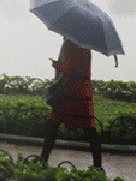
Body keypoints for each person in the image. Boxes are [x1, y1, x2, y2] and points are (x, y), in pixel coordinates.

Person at [40, 38, 103, 171]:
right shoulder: (86, 45)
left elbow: (71, 68)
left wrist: (56, 65)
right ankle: (98, 164)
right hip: (84, 90)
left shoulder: (70, 43)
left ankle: (43, 158)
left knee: (53, 123)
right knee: (89, 128)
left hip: (70, 91)